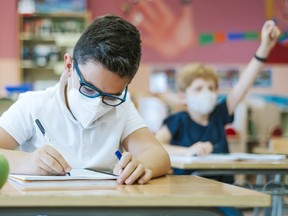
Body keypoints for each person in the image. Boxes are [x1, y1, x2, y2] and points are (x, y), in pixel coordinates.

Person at [0, 15, 170, 185]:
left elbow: (158, 154)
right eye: (88, 88)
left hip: (103, 206)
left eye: (110, 96)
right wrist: (27, 162)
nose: (97, 104)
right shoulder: (34, 105)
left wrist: (141, 165)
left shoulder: (122, 106)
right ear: (69, 66)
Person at [155, 20, 280, 182]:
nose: (206, 93)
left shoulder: (220, 113)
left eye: (211, 88)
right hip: (187, 190)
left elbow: (243, 85)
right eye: (198, 89)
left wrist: (265, 47)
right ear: (183, 96)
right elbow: (155, 146)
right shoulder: (178, 121)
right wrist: (187, 151)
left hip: (223, 188)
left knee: (234, 209)